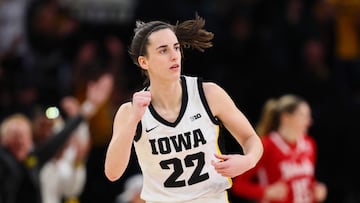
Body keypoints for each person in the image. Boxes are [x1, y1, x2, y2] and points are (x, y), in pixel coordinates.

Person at [104, 14, 263, 203]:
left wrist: (247, 161)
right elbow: (113, 173)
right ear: (144, 62)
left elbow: (251, 138)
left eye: (176, 48)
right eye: (163, 50)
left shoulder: (209, 94)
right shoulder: (130, 111)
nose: (174, 55)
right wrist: (133, 120)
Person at [0, 73, 113, 203]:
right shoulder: (4, 162)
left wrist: (87, 108)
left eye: (23, 136)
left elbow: (59, 139)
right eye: (15, 136)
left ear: (29, 139)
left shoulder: (34, 160)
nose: (20, 141)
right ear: (4, 140)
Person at [231, 94, 327, 203]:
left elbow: (307, 179)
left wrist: (317, 189)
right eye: (303, 116)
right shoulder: (266, 145)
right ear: (286, 117)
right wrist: (266, 192)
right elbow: (238, 185)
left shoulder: (309, 143)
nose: (309, 122)